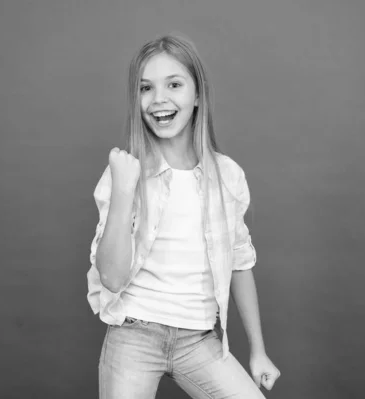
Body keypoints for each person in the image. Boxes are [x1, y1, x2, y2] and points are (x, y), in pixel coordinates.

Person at [87, 33, 280, 399]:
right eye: (146, 88)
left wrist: (258, 351)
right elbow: (110, 277)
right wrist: (125, 190)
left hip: (199, 340)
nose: (159, 99)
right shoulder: (124, 173)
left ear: (197, 94)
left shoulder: (228, 176)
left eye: (174, 84)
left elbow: (240, 262)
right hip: (134, 334)